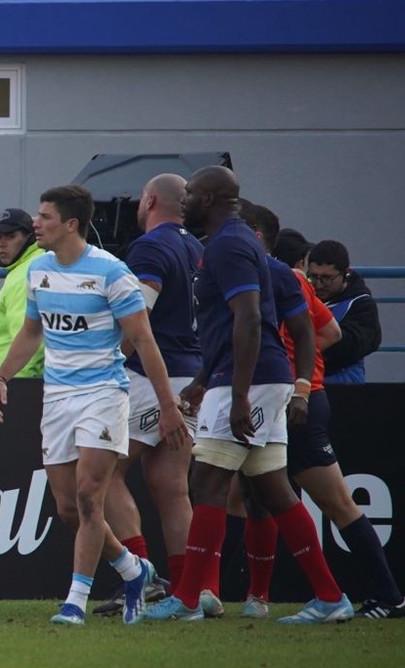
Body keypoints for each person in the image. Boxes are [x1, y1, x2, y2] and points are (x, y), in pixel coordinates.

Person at [144, 166, 353, 624]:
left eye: (193, 193)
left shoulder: (229, 246)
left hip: (249, 382)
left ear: (213, 198)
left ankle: (185, 599)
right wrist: (204, 380)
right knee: (273, 490)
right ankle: (331, 595)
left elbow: (249, 320)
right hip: (250, 378)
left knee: (208, 482)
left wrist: (238, 396)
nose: (185, 201)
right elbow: (234, 325)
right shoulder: (233, 245)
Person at [0, 184, 188, 625]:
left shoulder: (112, 272)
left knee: (88, 497)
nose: (35, 224)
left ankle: (74, 602)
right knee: (67, 508)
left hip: (103, 394)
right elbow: (31, 332)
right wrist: (3, 376)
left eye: (44, 217)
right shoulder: (38, 270)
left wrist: (167, 404)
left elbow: (142, 339)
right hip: (57, 398)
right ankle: (133, 570)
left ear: (71, 224)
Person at [242, 204, 403, 621]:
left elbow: (331, 334)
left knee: (334, 502)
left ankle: (379, 597)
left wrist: (296, 367)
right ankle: (250, 595)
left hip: (300, 403)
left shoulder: (283, 280)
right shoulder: (283, 279)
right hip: (295, 398)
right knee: (257, 495)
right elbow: (328, 332)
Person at [92, 173, 199, 616]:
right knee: (172, 487)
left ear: (151, 199)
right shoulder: (197, 247)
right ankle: (188, 591)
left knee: (104, 473)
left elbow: (139, 322)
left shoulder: (151, 247)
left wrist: (105, 362)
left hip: (149, 380)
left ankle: (141, 572)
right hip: (190, 377)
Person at [0, 207, 43, 378]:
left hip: (14, 383)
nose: (1, 243)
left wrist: (15, 384)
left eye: (11, 236)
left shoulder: (23, 275)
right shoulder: (27, 268)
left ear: (30, 238)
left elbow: (27, 336)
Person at [306, 239, 380, 384]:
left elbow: (354, 345)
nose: (319, 285)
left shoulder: (361, 304)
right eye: (313, 277)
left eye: (327, 278)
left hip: (344, 384)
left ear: (346, 273)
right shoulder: (305, 295)